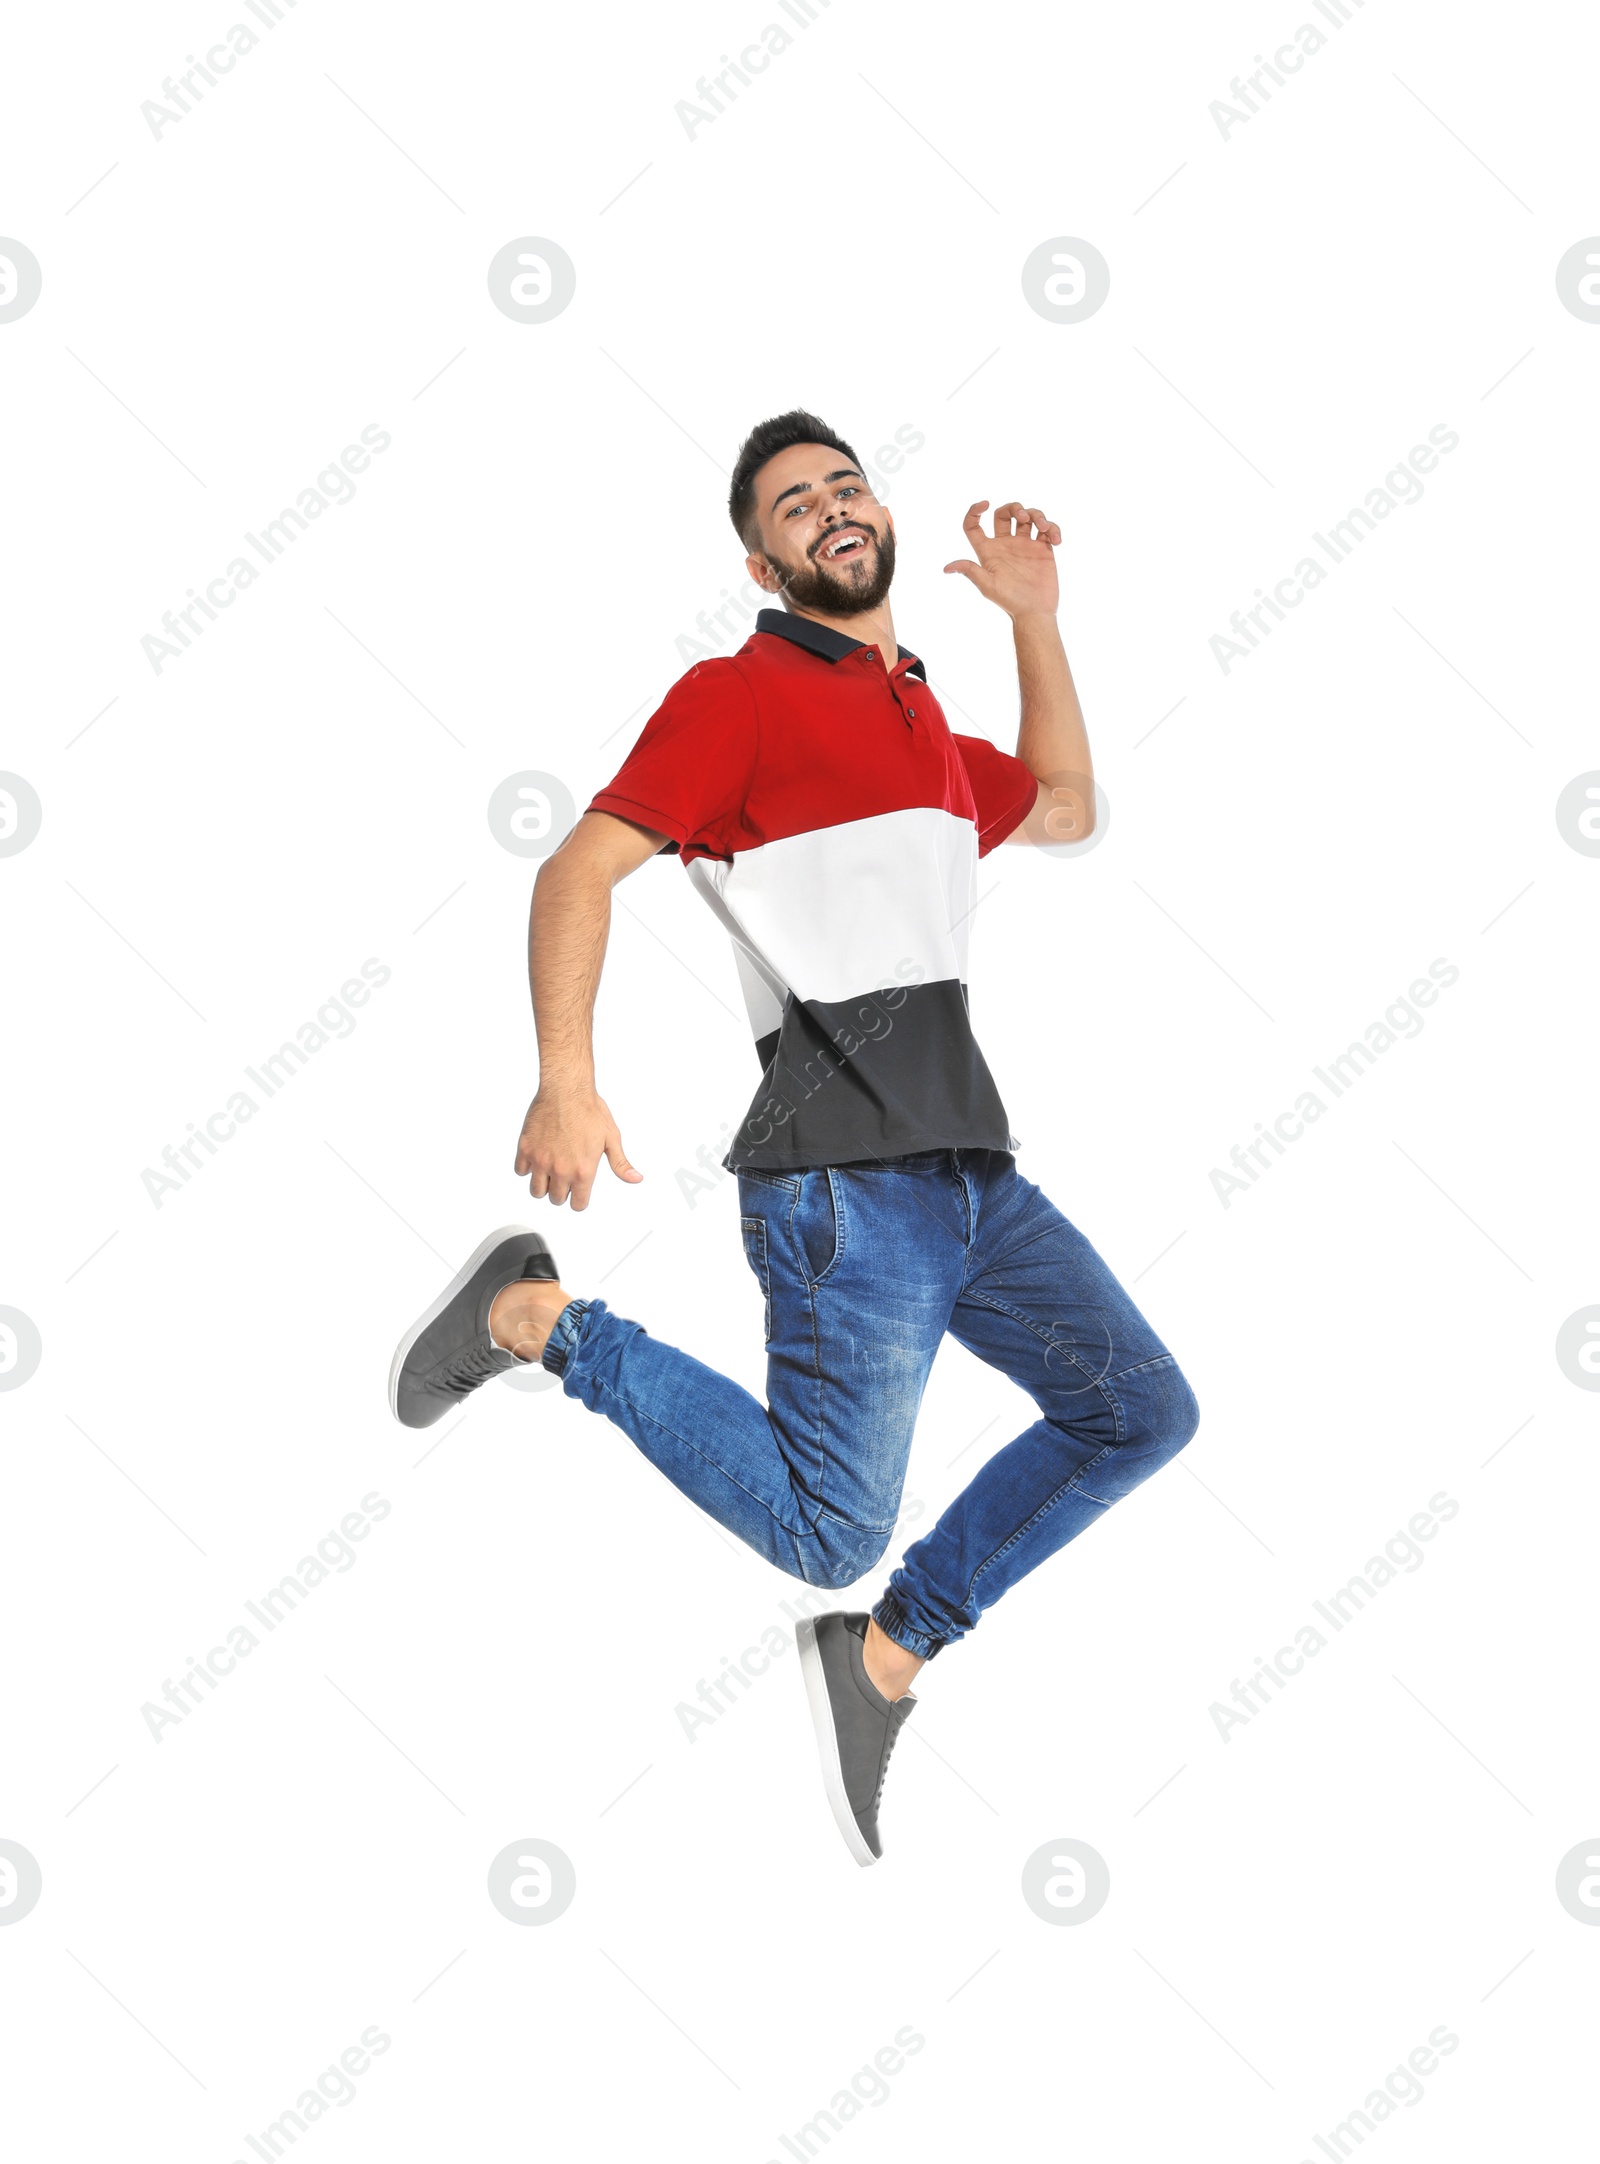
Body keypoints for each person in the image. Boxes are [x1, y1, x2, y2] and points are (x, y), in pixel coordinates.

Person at [389, 410, 1199, 1865]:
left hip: (972, 1179)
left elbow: (1067, 803)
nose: (829, 507)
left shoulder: (928, 735)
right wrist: (564, 1078)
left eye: (846, 484)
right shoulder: (738, 697)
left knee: (1139, 1410)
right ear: (761, 557)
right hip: (841, 1185)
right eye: (792, 502)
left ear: (880, 517)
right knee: (830, 1531)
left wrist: (1035, 622)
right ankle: (535, 1317)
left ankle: (882, 1658)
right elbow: (582, 865)